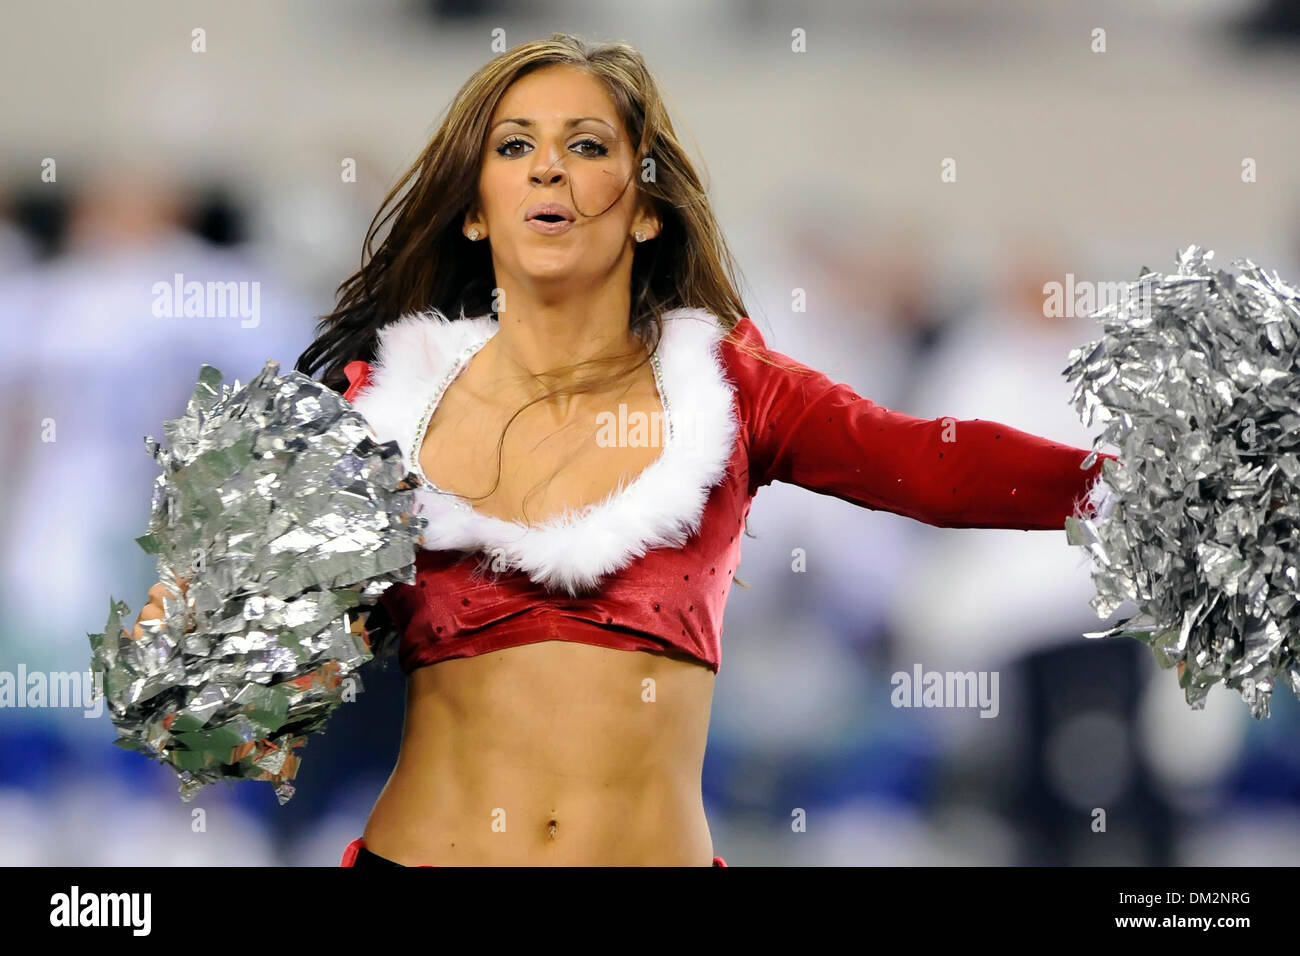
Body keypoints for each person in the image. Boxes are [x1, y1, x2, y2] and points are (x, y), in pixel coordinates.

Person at [130, 33, 1116, 866]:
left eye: (587, 144)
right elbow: (220, 679)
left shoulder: (731, 388)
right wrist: (202, 617)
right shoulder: (381, 401)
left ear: (645, 205)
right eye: (516, 145)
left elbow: (927, 460)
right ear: (476, 209)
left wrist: (1128, 488)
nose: (550, 166)